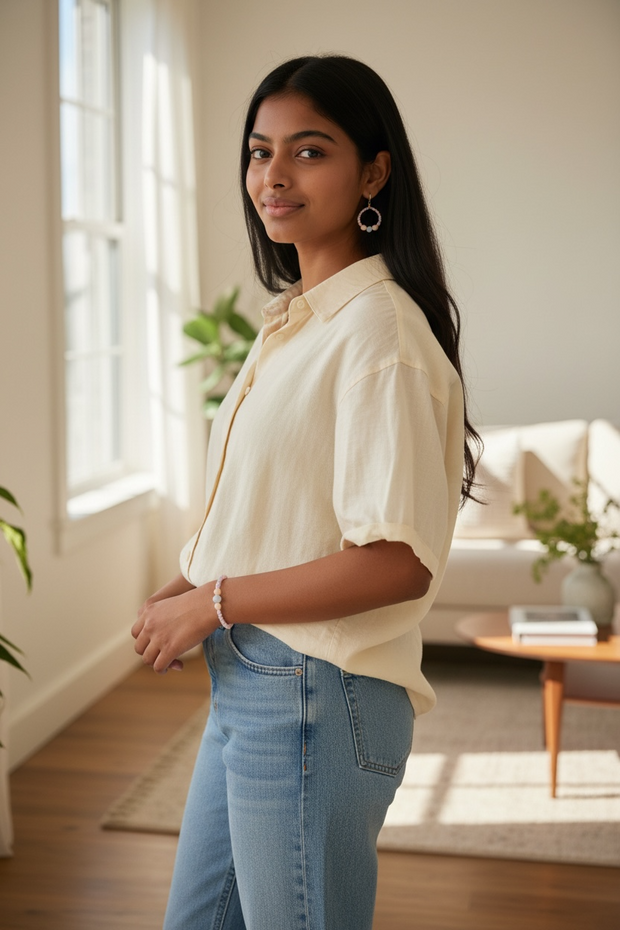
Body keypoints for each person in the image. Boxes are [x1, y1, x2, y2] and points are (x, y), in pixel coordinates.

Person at [132, 54, 480, 930]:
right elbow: (274, 509)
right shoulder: (296, 321)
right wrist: (185, 587)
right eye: (261, 151)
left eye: (310, 151)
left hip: (315, 694)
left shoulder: (378, 332)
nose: (274, 175)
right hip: (258, 682)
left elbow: (396, 562)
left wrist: (211, 602)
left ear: (374, 173)